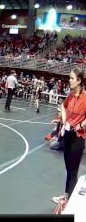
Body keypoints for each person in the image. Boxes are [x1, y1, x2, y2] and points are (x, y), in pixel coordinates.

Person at [53, 68, 86, 203]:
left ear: (79, 81)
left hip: (77, 138)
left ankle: (69, 200)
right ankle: (68, 194)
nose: (69, 80)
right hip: (67, 135)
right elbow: (62, 105)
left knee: (73, 171)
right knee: (69, 169)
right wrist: (65, 121)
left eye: (72, 78)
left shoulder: (85, 97)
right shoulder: (71, 95)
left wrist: (80, 126)